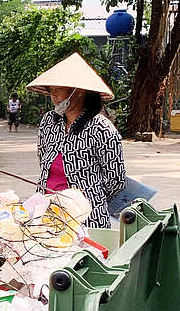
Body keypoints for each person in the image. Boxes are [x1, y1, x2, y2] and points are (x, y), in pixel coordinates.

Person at [27, 52, 126, 228]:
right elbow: (43, 161)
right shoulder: (49, 122)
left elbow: (116, 180)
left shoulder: (101, 128)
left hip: (87, 219)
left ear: (78, 91)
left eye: (58, 89)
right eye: (51, 90)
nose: (53, 95)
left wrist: (90, 199)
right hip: (47, 213)